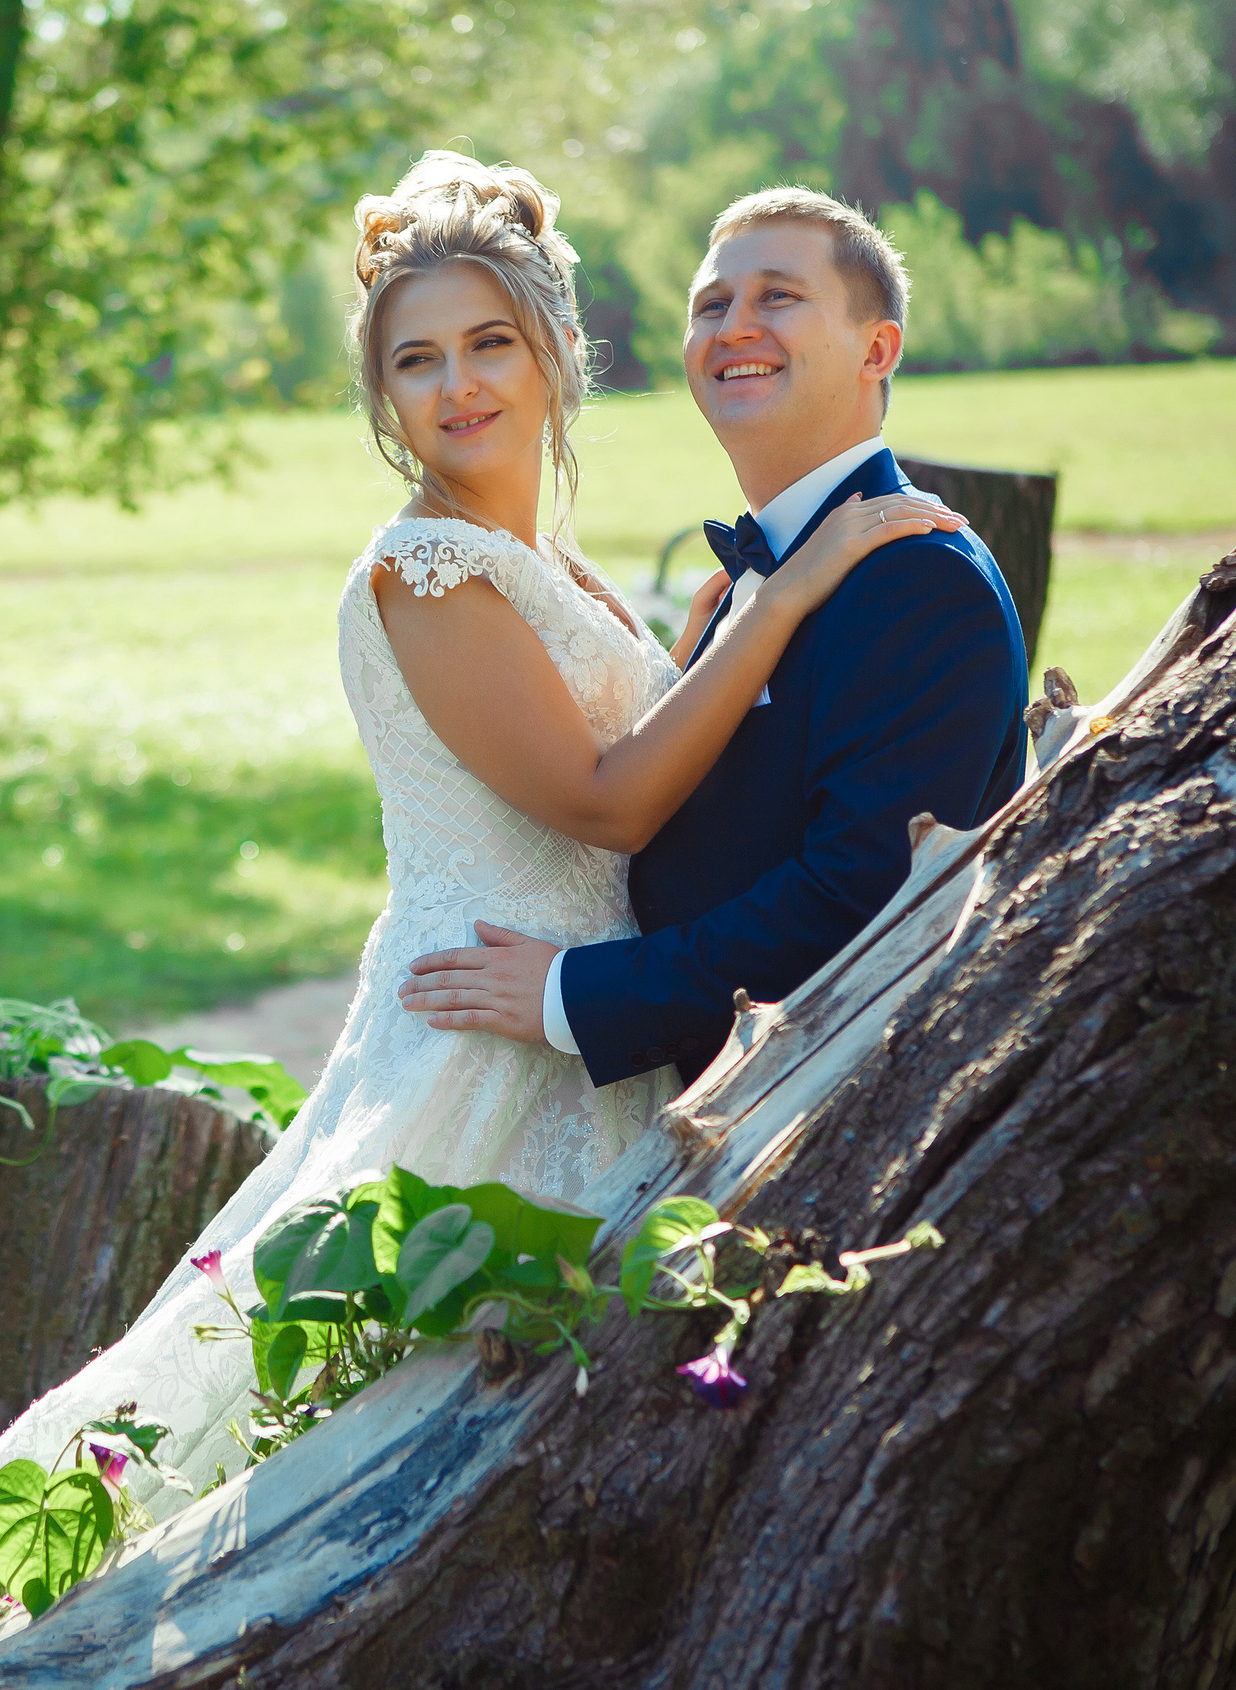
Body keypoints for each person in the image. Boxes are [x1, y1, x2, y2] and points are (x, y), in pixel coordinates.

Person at [0, 157, 965, 1688]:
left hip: (577, 1014)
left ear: (552, 352)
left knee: (503, 1422)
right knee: (313, 1417)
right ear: (382, 398)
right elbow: (605, 802)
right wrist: (777, 606)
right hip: (483, 1028)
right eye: (415, 359)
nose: (457, 385)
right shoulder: (429, 567)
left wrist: (732, 625)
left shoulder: (552, 566)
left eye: (487, 344)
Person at [396, 186, 1030, 1084]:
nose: (735, 326)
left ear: (876, 347)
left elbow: (859, 895)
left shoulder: (915, 576)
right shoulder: (759, 580)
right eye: (712, 305)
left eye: (779, 296)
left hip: (827, 1104)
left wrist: (574, 993)